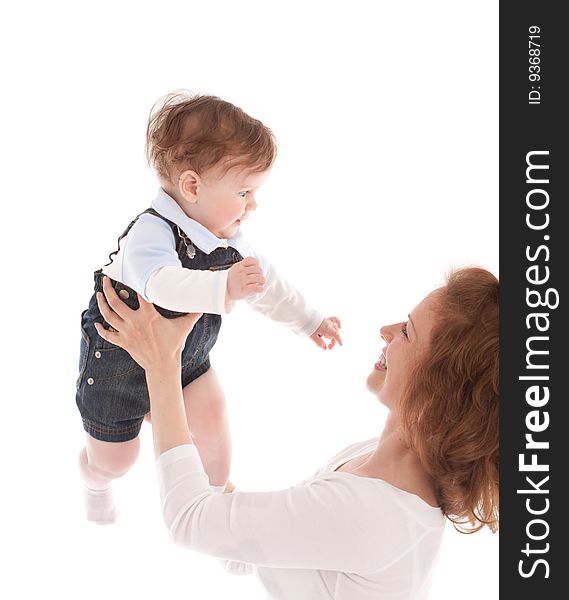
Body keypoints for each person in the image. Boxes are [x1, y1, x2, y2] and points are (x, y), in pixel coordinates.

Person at [93, 266, 499, 600]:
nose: (386, 330)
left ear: (439, 387)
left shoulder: (372, 511)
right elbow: (251, 548)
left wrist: (162, 364)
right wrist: (172, 417)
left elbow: (190, 521)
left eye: (407, 332)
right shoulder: (371, 460)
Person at [75, 91, 342, 524]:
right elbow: (160, 285)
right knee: (115, 461)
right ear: (192, 186)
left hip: (186, 364)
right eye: (244, 191)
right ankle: (93, 479)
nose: (253, 205)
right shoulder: (151, 230)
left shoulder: (228, 240)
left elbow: (267, 285)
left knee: (215, 433)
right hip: (117, 368)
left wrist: (309, 321)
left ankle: (219, 510)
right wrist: (224, 285)